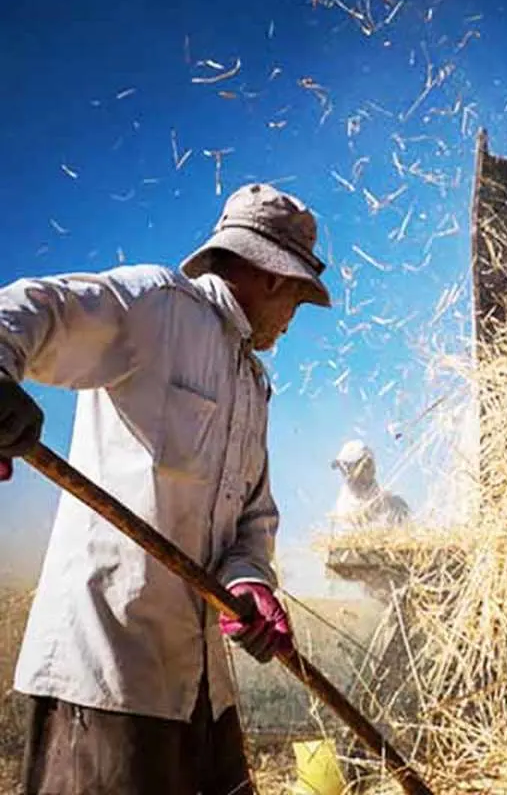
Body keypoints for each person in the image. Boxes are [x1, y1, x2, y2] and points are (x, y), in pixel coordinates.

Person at [0, 182, 333, 794]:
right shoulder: (156, 308)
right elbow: (35, 306)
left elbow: (251, 521)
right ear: (273, 279)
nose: (291, 320)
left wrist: (250, 579)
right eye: (297, 301)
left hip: (203, 688)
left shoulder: (253, 387)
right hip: (110, 676)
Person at [329, 438, 411, 535]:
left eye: (348, 466)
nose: (345, 474)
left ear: (368, 465)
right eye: (342, 468)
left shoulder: (395, 505)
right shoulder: (344, 502)